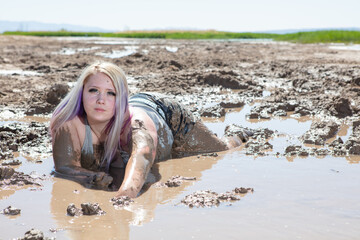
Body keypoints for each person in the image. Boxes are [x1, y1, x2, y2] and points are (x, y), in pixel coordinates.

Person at [50, 61, 246, 198]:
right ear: (81, 92)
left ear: (120, 99)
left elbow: (142, 157)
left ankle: (238, 134)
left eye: (111, 93)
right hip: (138, 104)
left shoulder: (135, 125)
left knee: (221, 148)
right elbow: (65, 167)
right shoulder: (68, 123)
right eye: (94, 90)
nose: (101, 100)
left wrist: (124, 197)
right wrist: (90, 177)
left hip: (166, 115)